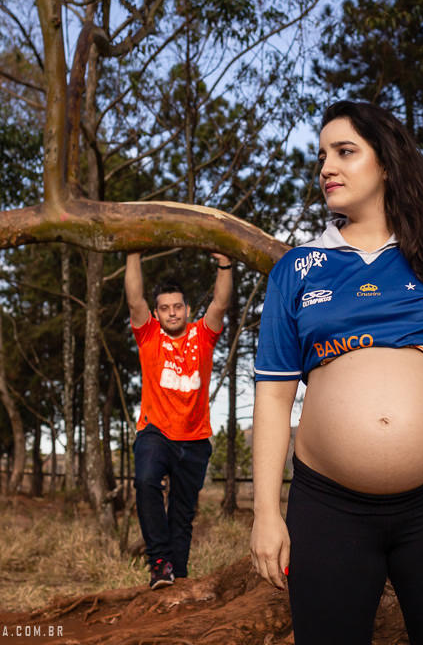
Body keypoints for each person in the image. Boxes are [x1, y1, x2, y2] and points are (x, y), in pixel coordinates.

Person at [250, 100, 423, 644]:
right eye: (321, 156)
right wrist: (265, 513)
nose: (326, 168)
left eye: (345, 152)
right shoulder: (296, 270)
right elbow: (273, 399)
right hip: (327, 505)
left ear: (386, 163)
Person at [126, 250, 232, 590]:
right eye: (165, 308)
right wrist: (133, 252)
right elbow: (134, 299)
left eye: (178, 307)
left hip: (195, 439)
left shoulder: (203, 335)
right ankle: (159, 562)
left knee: (183, 514)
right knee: (145, 482)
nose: (172, 312)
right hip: (155, 432)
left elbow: (220, 303)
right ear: (157, 313)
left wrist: (225, 263)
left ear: (187, 309)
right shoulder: (149, 336)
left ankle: (178, 577)